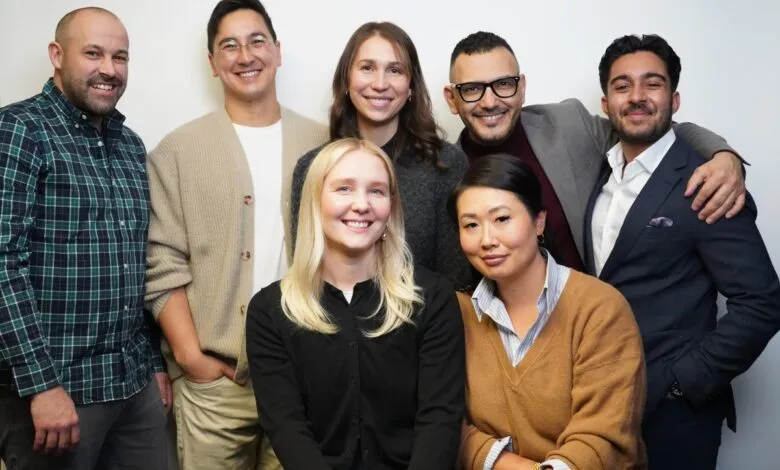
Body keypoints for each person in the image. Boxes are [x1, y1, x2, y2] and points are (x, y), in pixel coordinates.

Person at [143, 0, 327, 469]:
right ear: (212, 63)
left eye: (257, 40)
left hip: (308, 378)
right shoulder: (178, 152)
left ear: (278, 51)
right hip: (217, 385)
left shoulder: (324, 144)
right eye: (229, 45)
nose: (245, 56)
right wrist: (190, 358)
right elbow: (161, 261)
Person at [585, 34, 780, 470]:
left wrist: (684, 380)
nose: (637, 97)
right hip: (602, 409)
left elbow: (763, 301)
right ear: (605, 102)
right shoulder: (598, 171)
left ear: (674, 98)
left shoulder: (707, 182)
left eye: (651, 84)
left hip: (677, 417)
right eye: (622, 86)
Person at [0, 7, 169, 470]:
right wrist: (41, 386)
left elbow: (136, 263)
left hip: (132, 386)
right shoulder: (19, 131)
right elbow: (2, 266)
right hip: (57, 396)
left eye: (120, 56)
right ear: (57, 55)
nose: (109, 69)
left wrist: (153, 362)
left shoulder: (131, 146)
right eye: (92, 53)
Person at [246, 138, 465, 470]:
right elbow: (286, 427)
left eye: (377, 191)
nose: (362, 204)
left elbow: (440, 420)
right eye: (344, 189)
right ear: (315, 200)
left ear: (391, 207)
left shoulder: (432, 297)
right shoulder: (270, 311)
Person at [444, 31, 747, 269]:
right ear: (451, 99)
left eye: (503, 84)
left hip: (598, 316)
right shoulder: (445, 171)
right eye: (471, 89)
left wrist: (723, 155)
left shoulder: (567, 123)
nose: (489, 101)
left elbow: (653, 129)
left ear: (522, 88)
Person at [452, 154, 646, 470]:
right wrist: (500, 461)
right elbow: (443, 420)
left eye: (502, 219)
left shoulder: (599, 309)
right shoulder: (457, 313)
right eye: (471, 225)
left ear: (539, 221)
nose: (487, 240)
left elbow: (604, 435)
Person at [291, 22, 472, 289]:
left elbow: (456, 284)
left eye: (395, 70)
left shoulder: (445, 164)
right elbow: (307, 274)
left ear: (411, 85)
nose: (380, 84)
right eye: (367, 68)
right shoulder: (312, 167)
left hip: (426, 327)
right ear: (346, 80)